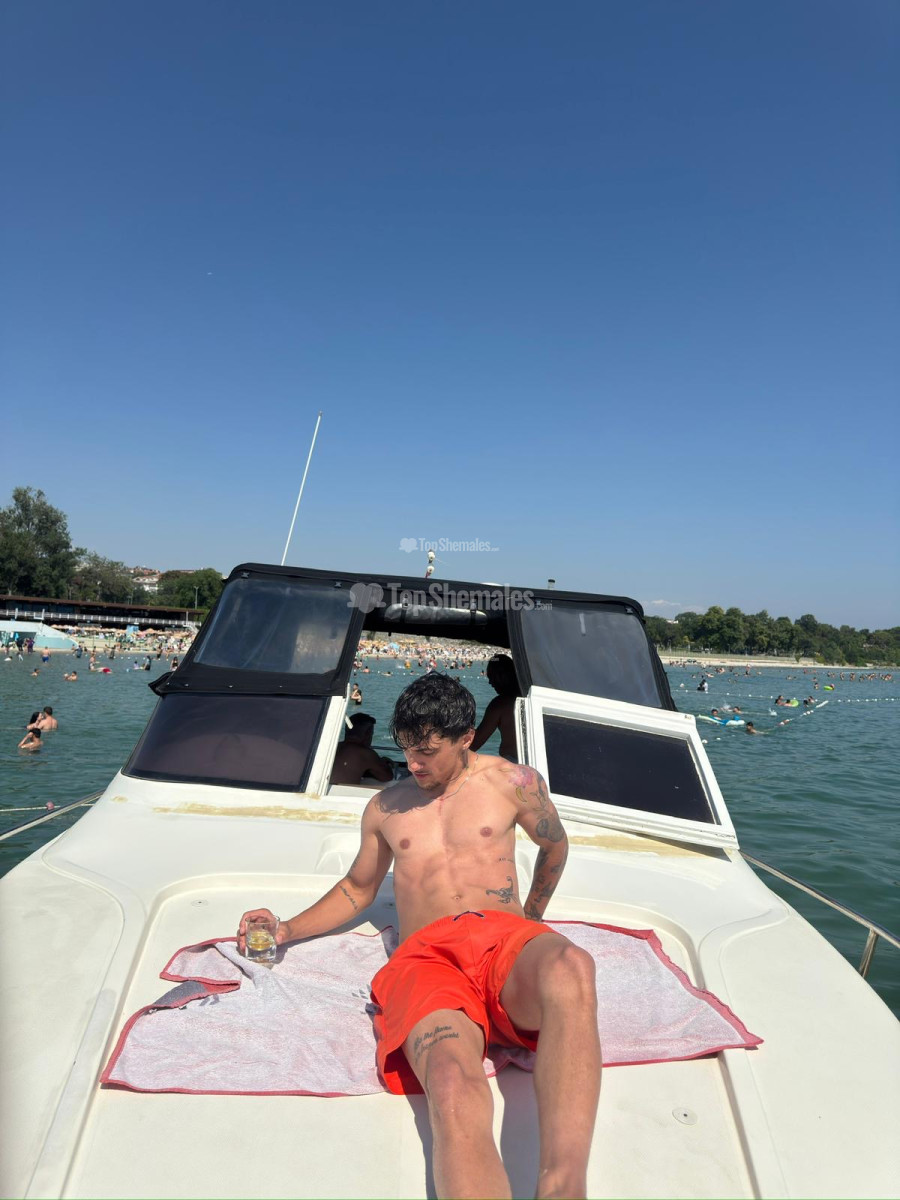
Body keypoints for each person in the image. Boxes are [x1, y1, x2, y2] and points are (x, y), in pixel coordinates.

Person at [239, 674, 600, 1199]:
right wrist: (287, 928)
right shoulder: (385, 808)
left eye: (427, 751)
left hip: (502, 938)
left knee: (571, 965)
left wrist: (532, 919)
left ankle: (564, 1186)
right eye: (407, 749)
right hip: (427, 959)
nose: (413, 764)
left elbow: (555, 847)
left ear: (466, 737)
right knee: (450, 1079)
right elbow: (358, 888)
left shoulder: (514, 782)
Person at [469, 653, 519, 762]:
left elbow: (474, 744)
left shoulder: (500, 704)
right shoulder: (529, 698)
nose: (490, 682)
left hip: (512, 764)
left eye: (492, 677)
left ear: (503, 676)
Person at [329, 713, 394, 786]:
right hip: (343, 793)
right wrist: (384, 763)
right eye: (372, 733)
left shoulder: (333, 747)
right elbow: (387, 777)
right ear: (368, 734)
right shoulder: (365, 753)